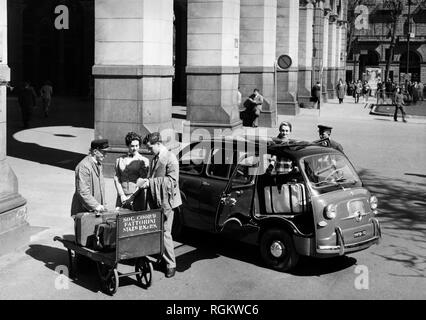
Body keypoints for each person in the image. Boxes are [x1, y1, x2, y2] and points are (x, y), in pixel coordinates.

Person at [138, 132, 182, 278]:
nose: (149, 151)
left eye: (150, 148)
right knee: (158, 232)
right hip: (158, 200)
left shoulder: (170, 158)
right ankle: (163, 259)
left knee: (165, 233)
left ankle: (171, 265)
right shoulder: (155, 158)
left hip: (167, 202)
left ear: (158, 144)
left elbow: (172, 182)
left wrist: (149, 183)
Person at [71, 139, 109, 216]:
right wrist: (96, 206)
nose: (105, 155)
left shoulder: (98, 164)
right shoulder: (84, 166)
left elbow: (101, 188)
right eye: (103, 152)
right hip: (84, 212)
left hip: (95, 211)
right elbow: (83, 192)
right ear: (95, 151)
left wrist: (103, 205)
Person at [113, 132, 149, 211]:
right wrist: (122, 195)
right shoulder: (119, 160)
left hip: (137, 197)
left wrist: (132, 196)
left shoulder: (144, 161)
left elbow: (143, 181)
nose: (135, 148)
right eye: (132, 146)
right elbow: (116, 178)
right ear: (128, 145)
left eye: (137, 146)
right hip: (122, 197)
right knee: (120, 220)